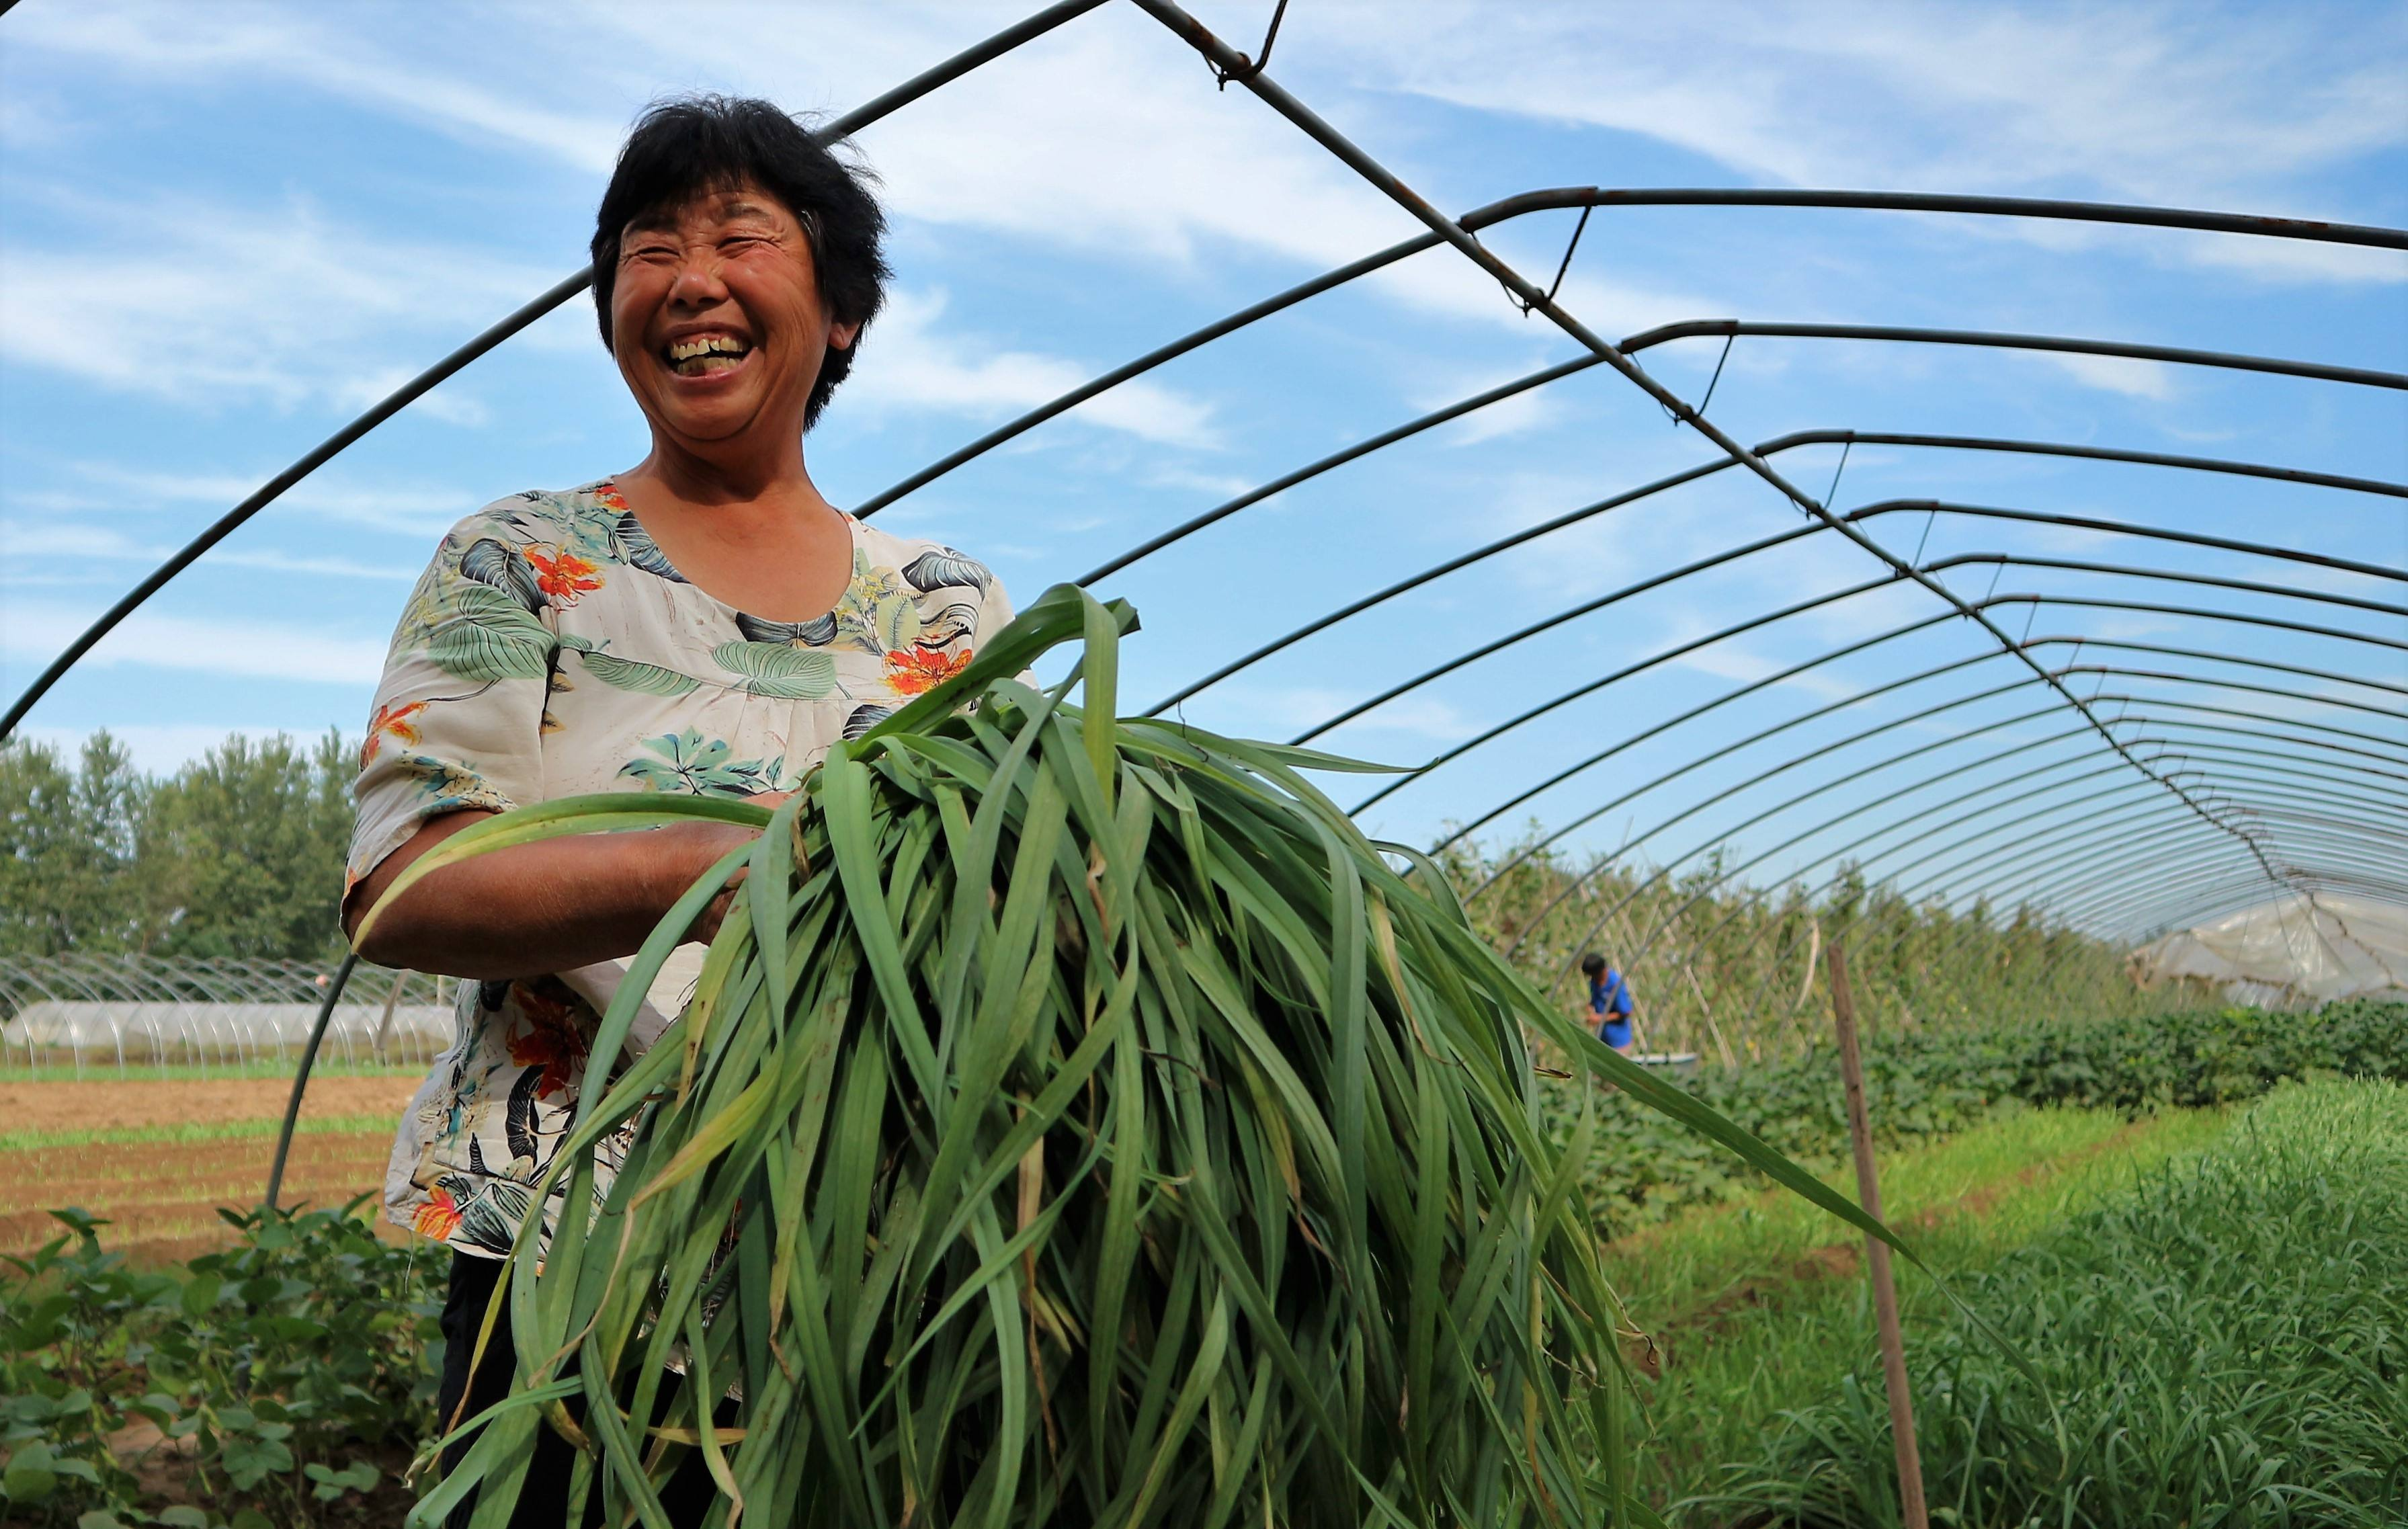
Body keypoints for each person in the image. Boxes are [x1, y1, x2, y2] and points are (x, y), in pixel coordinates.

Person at [341, 96, 1013, 1525]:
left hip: (870, 1275)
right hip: (573, 1277)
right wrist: (702, 868)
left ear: (838, 311)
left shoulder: (945, 609)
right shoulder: (521, 562)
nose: (689, 279)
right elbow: (403, 885)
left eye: (739, 237)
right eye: (648, 249)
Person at [1579, 951, 1635, 1053]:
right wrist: (1590, 1006)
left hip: (1619, 1042)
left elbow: (1627, 1012)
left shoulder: (1615, 983)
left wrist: (1600, 1018)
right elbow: (1597, 1000)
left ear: (1602, 971)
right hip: (1603, 1039)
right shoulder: (1594, 983)